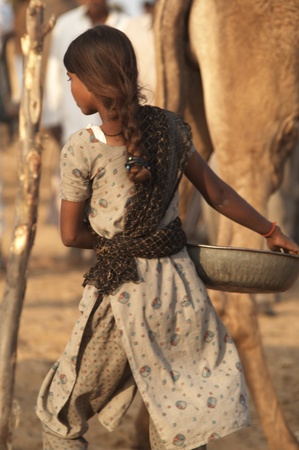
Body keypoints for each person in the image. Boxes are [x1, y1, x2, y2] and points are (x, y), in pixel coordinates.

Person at [35, 25, 299, 450]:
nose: (70, 88)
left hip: (121, 298)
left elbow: (69, 235)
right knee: (179, 415)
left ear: (92, 81)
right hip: (180, 293)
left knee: (59, 416)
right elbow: (219, 193)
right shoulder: (171, 129)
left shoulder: (81, 149)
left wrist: (119, 244)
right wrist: (271, 231)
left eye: (72, 79)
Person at [42, 0, 129, 227]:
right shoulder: (66, 23)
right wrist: (52, 116)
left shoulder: (127, 23)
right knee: (78, 184)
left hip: (119, 125)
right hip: (74, 118)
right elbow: (55, 75)